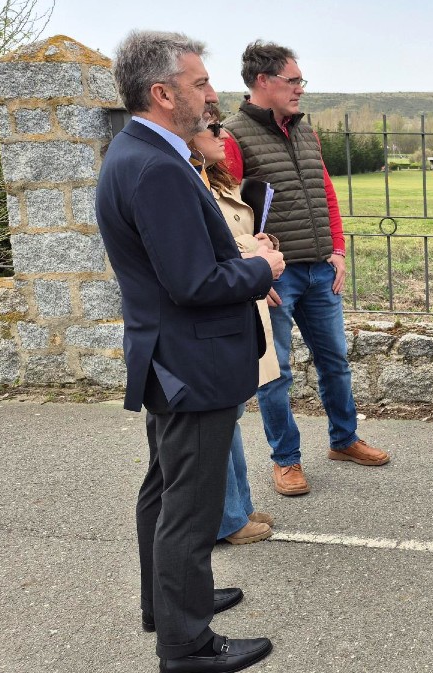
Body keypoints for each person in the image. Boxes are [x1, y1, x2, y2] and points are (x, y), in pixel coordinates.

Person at [96, 30, 281, 671]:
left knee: (164, 487)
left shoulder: (140, 152)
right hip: (190, 361)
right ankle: (186, 644)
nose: (211, 92)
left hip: (168, 356)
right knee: (190, 507)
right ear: (161, 92)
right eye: (199, 83)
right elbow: (193, 281)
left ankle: (168, 601)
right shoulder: (154, 165)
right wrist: (263, 267)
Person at [222, 40, 389, 497]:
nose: (300, 89)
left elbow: (326, 193)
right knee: (276, 373)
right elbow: (227, 211)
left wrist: (337, 250)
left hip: (320, 269)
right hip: (275, 277)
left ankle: (344, 439)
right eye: (292, 80)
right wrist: (255, 273)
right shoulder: (232, 136)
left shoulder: (305, 131)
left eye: (301, 80)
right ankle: (286, 460)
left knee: (335, 361)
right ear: (263, 81)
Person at [188, 105, 281, 543]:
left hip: (243, 301)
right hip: (225, 304)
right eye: (213, 127)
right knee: (221, 422)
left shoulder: (215, 178)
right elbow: (208, 252)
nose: (223, 135)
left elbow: (236, 236)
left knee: (234, 414)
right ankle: (227, 519)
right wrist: (255, 253)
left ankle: (238, 506)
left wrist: (262, 243)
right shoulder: (187, 182)